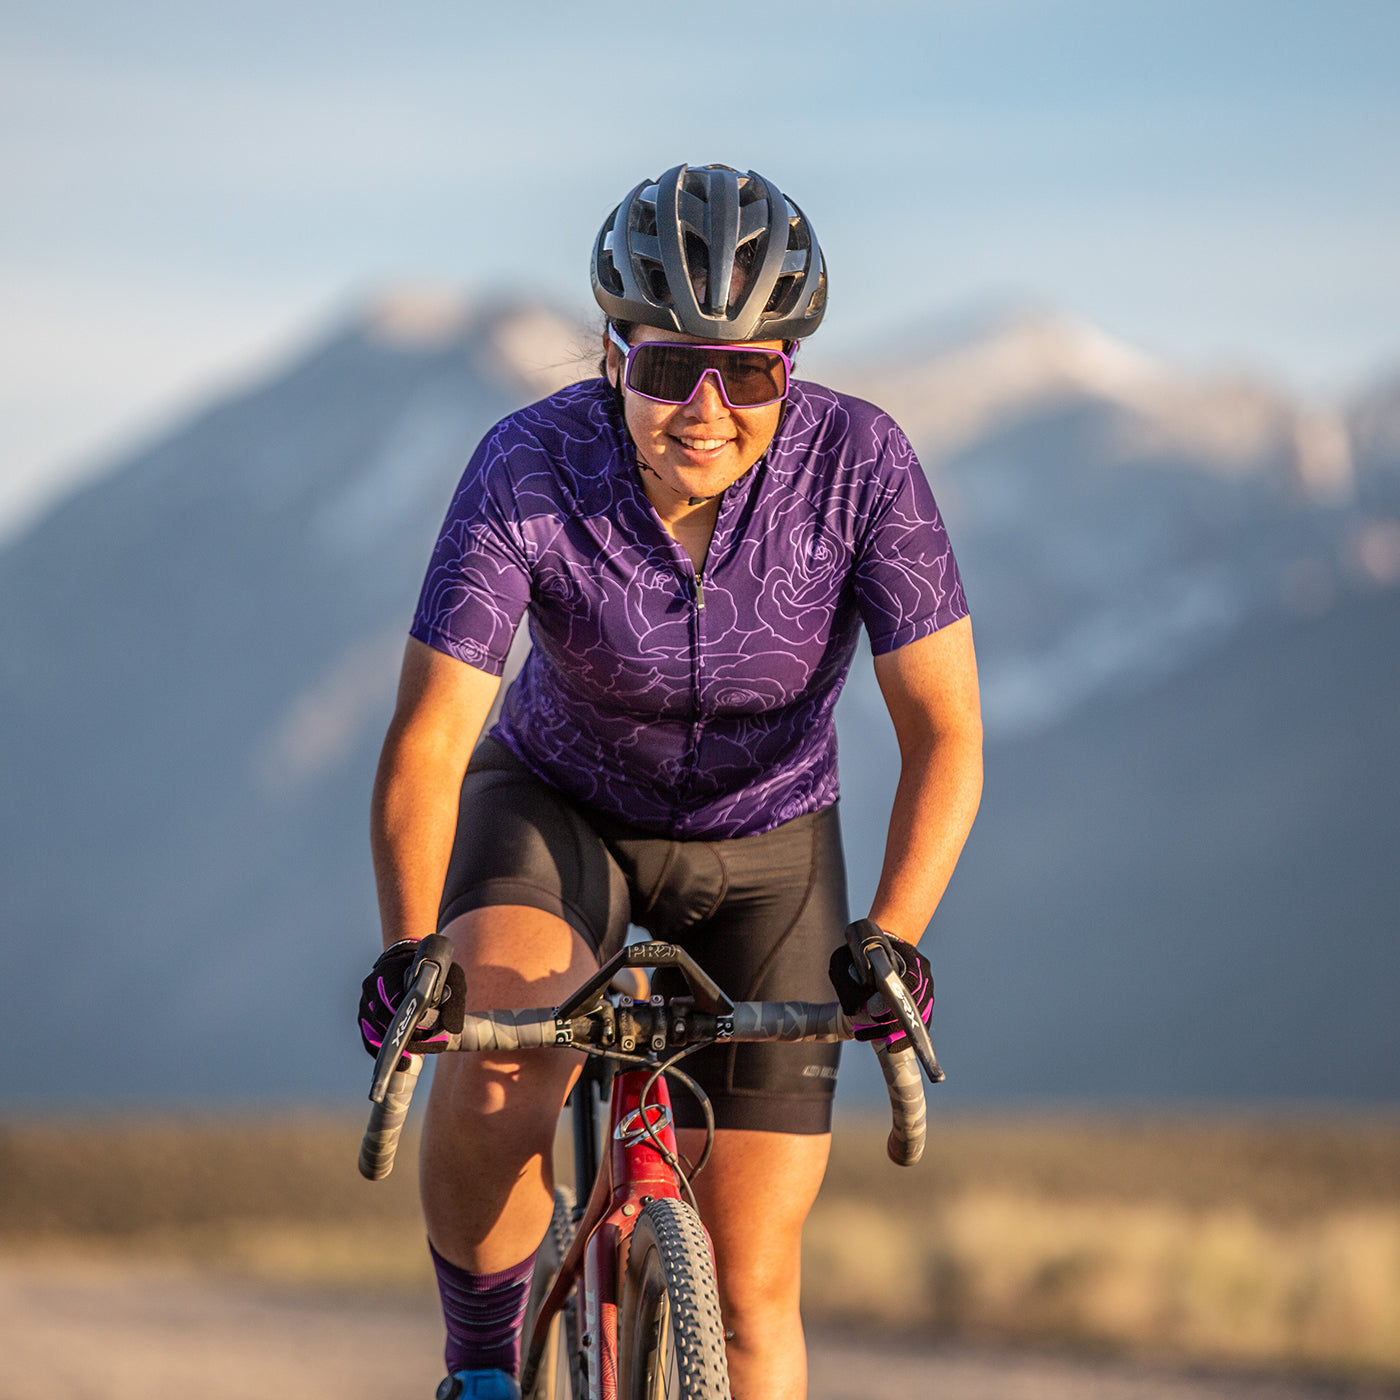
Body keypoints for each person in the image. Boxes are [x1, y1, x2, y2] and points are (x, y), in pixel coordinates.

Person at [362, 162, 983, 1400]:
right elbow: (432, 733)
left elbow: (944, 731)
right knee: (496, 1067)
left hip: (769, 845)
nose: (705, 406)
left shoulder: (860, 466)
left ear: (787, 372)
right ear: (611, 353)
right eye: (665, 368)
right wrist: (410, 949)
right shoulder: (527, 464)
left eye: (745, 370)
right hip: (558, 808)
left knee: (750, 1294)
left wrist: (893, 939)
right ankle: (481, 1364)